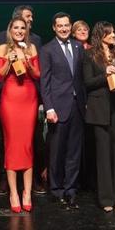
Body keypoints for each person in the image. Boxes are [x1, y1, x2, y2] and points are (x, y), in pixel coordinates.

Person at [82, 21, 115, 212]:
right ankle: (106, 199)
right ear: (100, 34)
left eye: (113, 33)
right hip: (99, 109)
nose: (113, 36)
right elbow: (87, 82)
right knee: (103, 156)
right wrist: (105, 75)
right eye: (109, 33)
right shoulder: (89, 55)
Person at [0, 17, 41, 212]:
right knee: (12, 145)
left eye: (23, 28)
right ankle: (13, 192)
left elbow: (37, 75)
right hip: (10, 99)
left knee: (27, 144)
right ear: (10, 29)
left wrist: (28, 62)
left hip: (28, 98)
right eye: (16, 27)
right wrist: (10, 60)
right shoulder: (2, 49)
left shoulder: (31, 48)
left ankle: (27, 192)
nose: (20, 31)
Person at [40, 12, 86, 209]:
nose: (64, 28)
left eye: (67, 25)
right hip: (58, 108)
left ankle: (71, 190)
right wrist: (49, 107)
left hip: (77, 106)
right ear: (54, 27)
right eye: (60, 26)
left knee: (74, 152)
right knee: (57, 151)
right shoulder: (47, 49)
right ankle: (57, 190)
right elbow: (45, 82)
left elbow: (81, 78)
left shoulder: (78, 46)